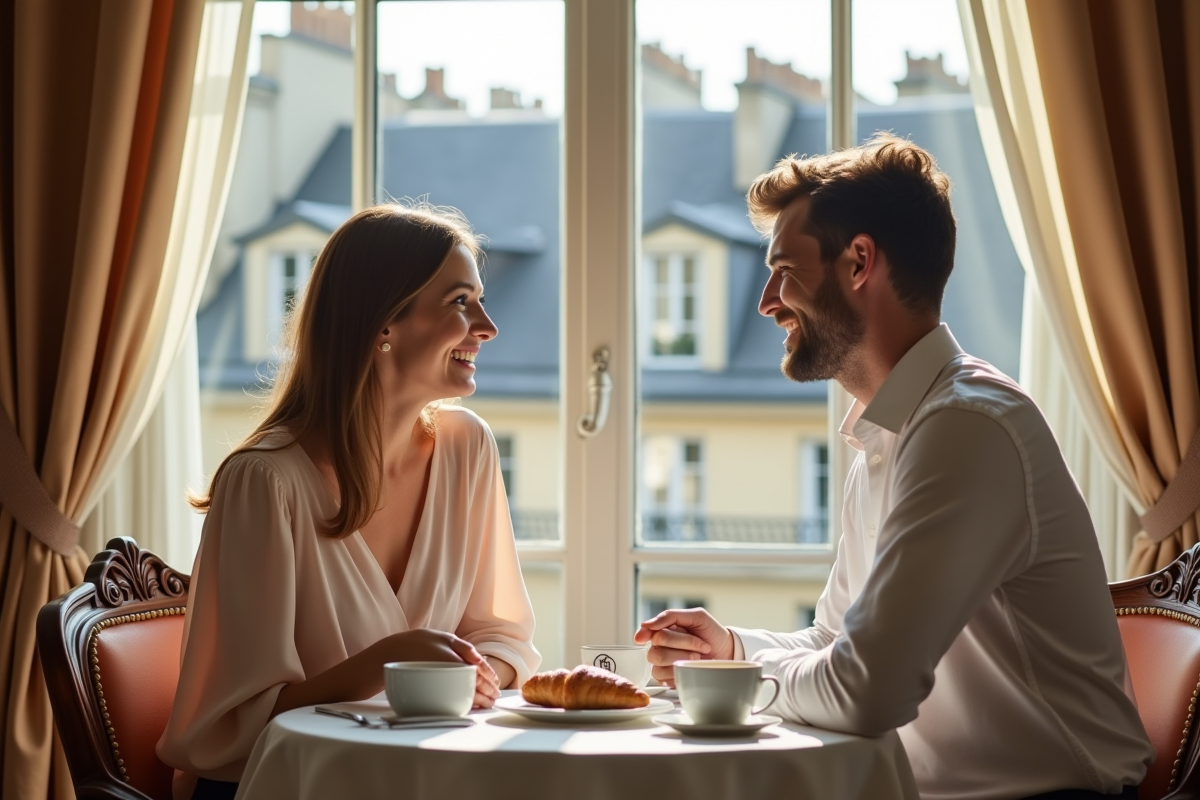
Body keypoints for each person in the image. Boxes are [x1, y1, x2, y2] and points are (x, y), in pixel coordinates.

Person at [635, 134, 1153, 799]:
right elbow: (836, 639)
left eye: (784, 269)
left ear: (858, 263)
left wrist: (738, 681)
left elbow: (866, 691)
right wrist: (731, 650)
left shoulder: (965, 428)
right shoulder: (893, 430)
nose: (766, 301)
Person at [158, 203, 540, 800]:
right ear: (383, 323)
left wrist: (472, 674)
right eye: (460, 303)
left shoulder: (469, 449)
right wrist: (392, 663)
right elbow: (231, 728)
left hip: (420, 773)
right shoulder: (264, 484)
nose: (487, 326)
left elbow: (506, 641)